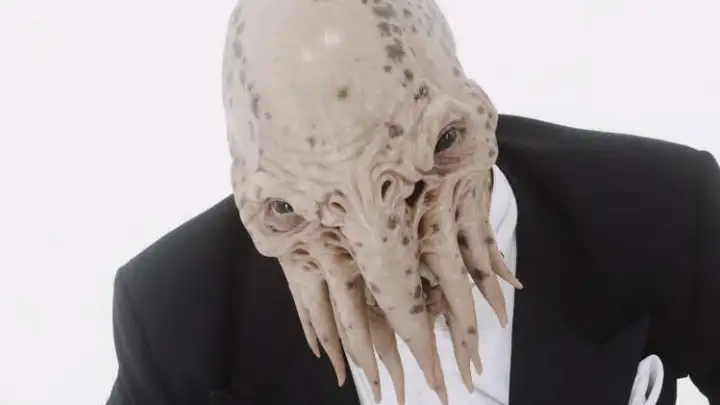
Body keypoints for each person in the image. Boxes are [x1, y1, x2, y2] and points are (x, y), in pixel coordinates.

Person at [105, 0, 719, 404]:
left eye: (438, 150)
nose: (387, 267)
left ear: (475, 108)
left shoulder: (659, 206)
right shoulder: (175, 313)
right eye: (292, 210)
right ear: (253, 190)